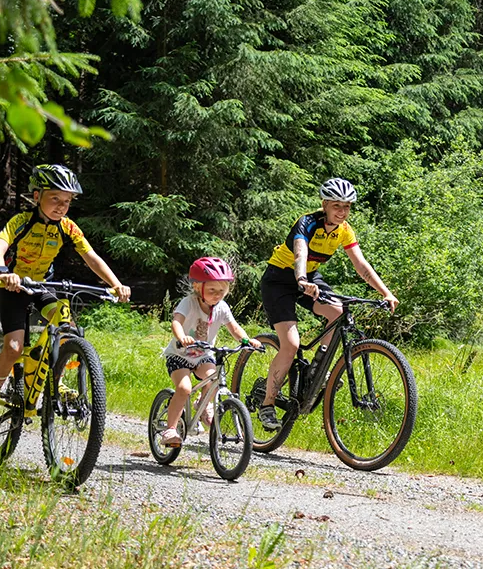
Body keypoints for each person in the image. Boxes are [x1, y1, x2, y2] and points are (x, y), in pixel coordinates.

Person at [0, 164, 131, 419]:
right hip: (14, 287)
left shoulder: (68, 227)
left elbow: (90, 257)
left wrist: (115, 283)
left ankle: (54, 380)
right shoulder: (21, 221)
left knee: (65, 324)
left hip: (41, 286)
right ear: (37, 196)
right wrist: (4, 272)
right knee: (14, 347)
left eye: (67, 201)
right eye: (55, 198)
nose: (61, 206)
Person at [258, 177, 398, 431]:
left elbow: (361, 266)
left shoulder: (344, 230)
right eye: (336, 206)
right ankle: (267, 403)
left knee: (339, 313)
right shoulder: (307, 222)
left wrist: (386, 293)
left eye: (346, 207)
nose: (342, 211)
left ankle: (317, 369)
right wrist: (300, 279)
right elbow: (300, 252)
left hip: (309, 277)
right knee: (290, 344)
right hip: (280, 279)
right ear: (324, 204)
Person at [160, 257, 262, 447]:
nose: (217, 295)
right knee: (184, 389)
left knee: (215, 379)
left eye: (221, 291)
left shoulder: (222, 308)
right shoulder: (188, 303)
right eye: (212, 290)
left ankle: (203, 404)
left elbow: (234, 328)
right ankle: (170, 430)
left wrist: (247, 340)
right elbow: (176, 322)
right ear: (198, 287)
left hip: (203, 355)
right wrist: (182, 337)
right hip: (180, 355)